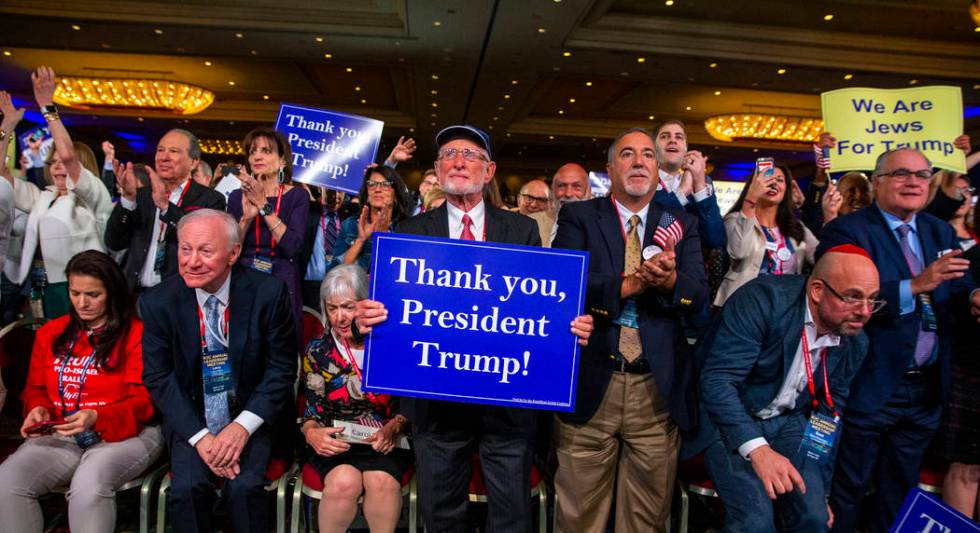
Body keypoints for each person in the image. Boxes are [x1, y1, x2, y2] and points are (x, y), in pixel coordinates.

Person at [354, 124, 593, 532]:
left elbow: (539, 307)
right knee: (441, 514)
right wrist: (367, 321)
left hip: (507, 399)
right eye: (448, 154)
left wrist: (569, 325)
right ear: (437, 168)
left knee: (511, 516)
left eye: (470, 155)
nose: (458, 161)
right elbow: (387, 313)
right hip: (436, 400)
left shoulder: (522, 230)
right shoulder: (409, 233)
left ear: (489, 171)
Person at [551, 127, 709, 533]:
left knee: (646, 520)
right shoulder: (579, 217)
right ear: (609, 168)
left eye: (648, 155)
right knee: (578, 518)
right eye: (627, 154)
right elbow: (566, 285)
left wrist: (670, 282)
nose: (639, 161)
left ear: (658, 170)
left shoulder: (683, 223)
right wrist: (633, 284)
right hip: (589, 385)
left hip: (656, 391)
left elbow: (700, 298)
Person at [817, 148, 980, 532]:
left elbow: (956, 283)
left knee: (899, 496)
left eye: (922, 175)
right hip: (870, 384)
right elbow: (838, 298)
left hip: (924, 390)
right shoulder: (849, 229)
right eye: (902, 174)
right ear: (877, 183)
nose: (914, 182)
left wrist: (972, 295)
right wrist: (916, 285)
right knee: (849, 492)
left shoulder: (938, 230)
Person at [689, 245, 880, 532]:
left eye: (873, 300)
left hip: (789, 422)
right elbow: (718, 382)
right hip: (730, 417)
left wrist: (821, 491)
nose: (864, 312)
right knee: (756, 523)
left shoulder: (854, 340)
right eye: (852, 297)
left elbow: (829, 412)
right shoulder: (763, 300)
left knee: (814, 518)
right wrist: (758, 450)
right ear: (817, 290)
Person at [140, 208, 297, 533]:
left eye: (205, 251)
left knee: (244, 488)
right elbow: (159, 378)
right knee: (187, 490)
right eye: (185, 249)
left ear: (233, 252)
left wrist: (240, 428)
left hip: (251, 418)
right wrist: (201, 438)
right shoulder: (158, 302)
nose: (192, 261)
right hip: (192, 419)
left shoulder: (268, 293)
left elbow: (281, 370)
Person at [0, 250, 162, 533]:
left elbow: (145, 403)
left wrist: (96, 416)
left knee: (88, 488)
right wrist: (38, 409)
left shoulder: (136, 333)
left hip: (126, 433)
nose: (82, 303)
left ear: (112, 293)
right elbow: (35, 389)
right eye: (75, 293)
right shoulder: (51, 332)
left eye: (93, 295)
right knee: (8, 482)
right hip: (63, 432)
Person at [300, 264, 412, 533]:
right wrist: (312, 433)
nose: (339, 317)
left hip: (385, 440)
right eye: (332, 308)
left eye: (348, 307)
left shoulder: (391, 344)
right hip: (337, 443)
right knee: (343, 482)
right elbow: (312, 411)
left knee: (381, 482)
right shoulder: (318, 350)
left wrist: (394, 427)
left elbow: (409, 405)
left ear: (366, 304)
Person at [0, 71, 113, 318]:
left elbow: (69, 155)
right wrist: (7, 126)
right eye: (52, 162)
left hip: (85, 288)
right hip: (41, 285)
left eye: (63, 162)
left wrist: (47, 108)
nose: (58, 166)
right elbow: (1, 174)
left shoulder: (92, 196)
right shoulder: (44, 197)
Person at [105, 128, 226, 293]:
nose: (164, 157)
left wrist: (165, 207)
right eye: (160, 150)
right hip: (135, 294)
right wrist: (127, 200)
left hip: (179, 295)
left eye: (174, 151)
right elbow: (114, 242)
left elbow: (204, 244)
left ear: (194, 162)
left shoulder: (210, 199)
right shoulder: (141, 196)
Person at [227, 127, 310, 326]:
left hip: (282, 277)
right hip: (244, 275)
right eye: (252, 151)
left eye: (266, 151)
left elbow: (292, 246)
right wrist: (246, 219)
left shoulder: (297, 196)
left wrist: (264, 206)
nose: (257, 156)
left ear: (282, 160)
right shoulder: (237, 196)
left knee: (280, 346)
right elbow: (229, 251)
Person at [714, 164, 818, 307]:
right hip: (744, 305)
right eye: (767, 179)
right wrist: (751, 199)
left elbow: (820, 258)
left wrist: (830, 216)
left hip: (785, 308)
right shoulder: (736, 219)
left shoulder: (797, 227)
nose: (773, 183)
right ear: (754, 186)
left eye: (780, 180)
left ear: (786, 189)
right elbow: (739, 252)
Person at [652, 119, 725, 249]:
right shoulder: (644, 181)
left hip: (691, 266)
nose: (673, 140)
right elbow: (649, 225)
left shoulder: (701, 185)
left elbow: (715, 240)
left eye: (679, 137)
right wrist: (682, 191)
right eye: (665, 136)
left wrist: (700, 185)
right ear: (653, 148)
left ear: (686, 149)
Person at [332, 165, 412, 272]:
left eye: (385, 184)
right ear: (367, 193)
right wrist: (360, 240)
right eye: (372, 184)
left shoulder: (408, 228)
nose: (377, 189)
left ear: (396, 194)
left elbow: (403, 274)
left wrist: (384, 239)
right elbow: (336, 271)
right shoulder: (350, 225)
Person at [301, 187, 345, 309]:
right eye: (331, 191)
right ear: (320, 189)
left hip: (340, 289)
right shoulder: (307, 213)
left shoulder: (349, 218)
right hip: (311, 289)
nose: (335, 196)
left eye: (340, 191)